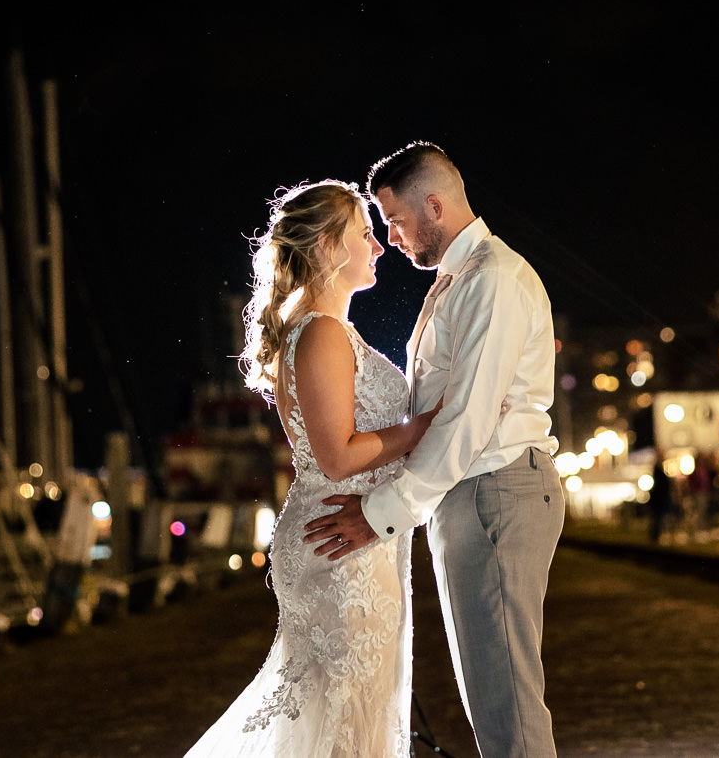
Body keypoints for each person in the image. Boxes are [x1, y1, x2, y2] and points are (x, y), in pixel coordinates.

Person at [303, 142, 565, 758]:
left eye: (393, 220)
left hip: (494, 489)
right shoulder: (457, 281)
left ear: (436, 206)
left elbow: (469, 418)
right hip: (472, 494)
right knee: (490, 693)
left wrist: (381, 514)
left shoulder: (492, 280)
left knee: (506, 702)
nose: (389, 238)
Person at [186, 180, 440, 757]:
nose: (379, 248)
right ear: (327, 247)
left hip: (347, 532)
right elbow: (339, 455)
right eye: (365, 235)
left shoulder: (324, 330)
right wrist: (432, 424)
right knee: (345, 702)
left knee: (347, 703)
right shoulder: (321, 332)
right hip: (339, 539)